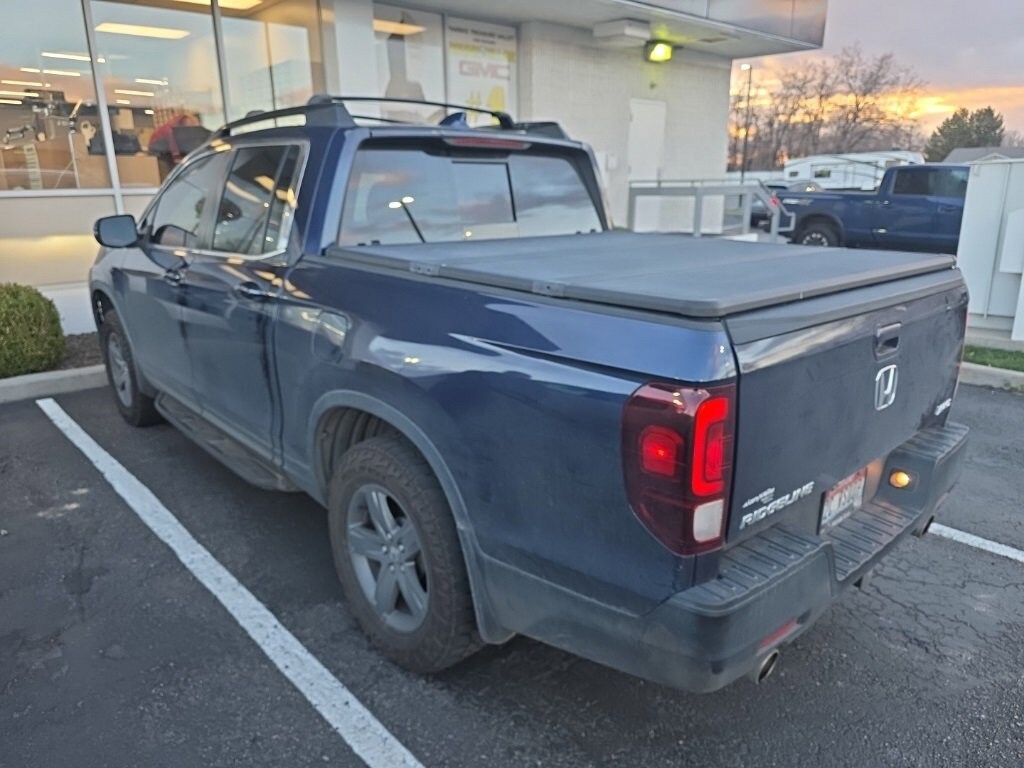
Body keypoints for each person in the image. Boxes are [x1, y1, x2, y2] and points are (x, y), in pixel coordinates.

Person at [148, 112, 203, 179]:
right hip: (158, 152)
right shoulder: (169, 129)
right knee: (167, 173)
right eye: (190, 124)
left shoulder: (179, 128)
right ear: (184, 122)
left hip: (164, 151)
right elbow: (173, 145)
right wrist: (178, 158)